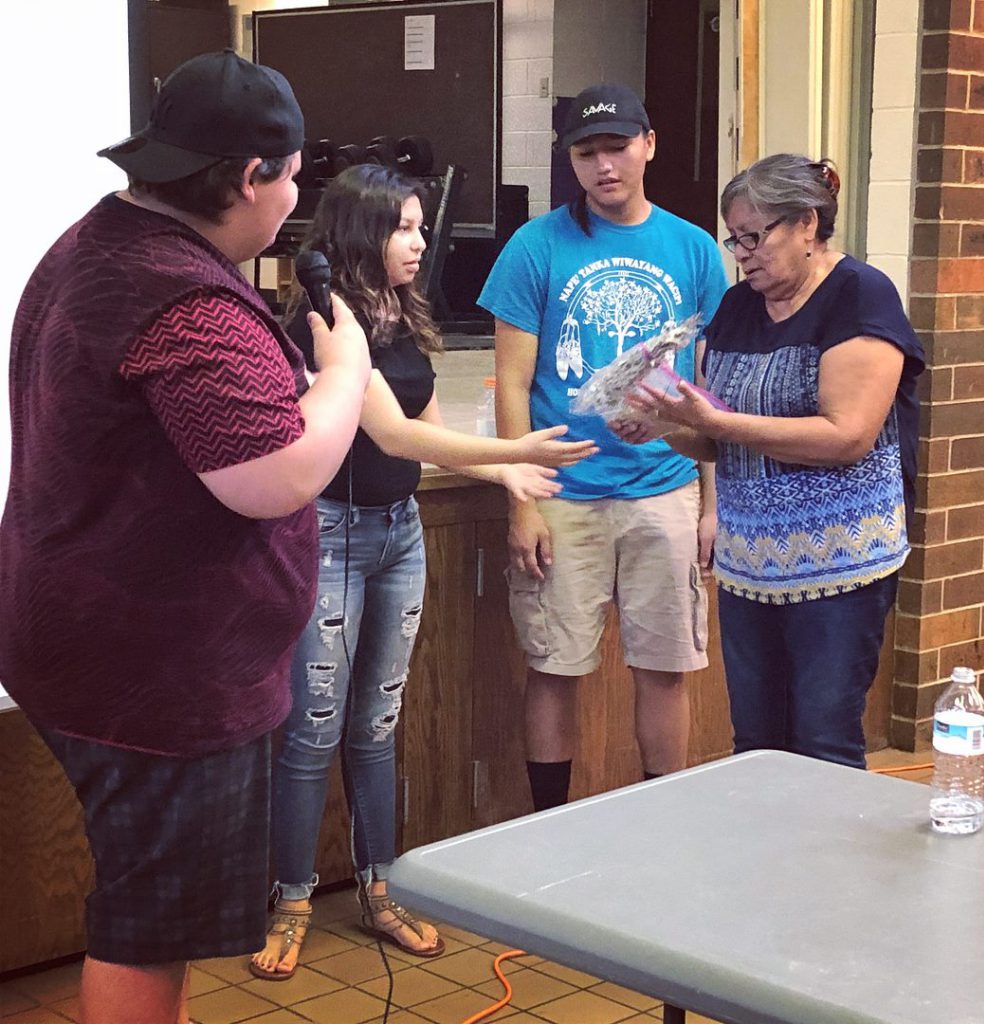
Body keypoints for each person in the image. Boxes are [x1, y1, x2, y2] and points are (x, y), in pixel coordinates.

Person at [0, 52, 372, 1024]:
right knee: (149, 924)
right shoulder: (186, 298)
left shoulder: (98, 241)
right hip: (157, 677)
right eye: (291, 176)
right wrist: (346, 370)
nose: (293, 200)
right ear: (251, 175)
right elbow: (277, 475)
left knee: (144, 894)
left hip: (79, 639)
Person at [250, 164, 597, 980]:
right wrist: (515, 448)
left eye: (418, 225)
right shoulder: (323, 319)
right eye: (403, 227)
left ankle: (379, 888)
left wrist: (504, 477)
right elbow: (392, 436)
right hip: (330, 536)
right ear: (363, 233)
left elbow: (427, 422)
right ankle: (292, 900)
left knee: (376, 725)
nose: (420, 240)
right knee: (311, 729)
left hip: (398, 533)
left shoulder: (402, 314)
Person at [624, 153, 925, 770]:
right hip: (750, 567)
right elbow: (715, 442)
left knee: (823, 742)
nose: (743, 253)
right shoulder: (737, 307)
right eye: (735, 239)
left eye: (756, 236)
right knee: (756, 748)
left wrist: (712, 421)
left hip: (839, 563)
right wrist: (660, 428)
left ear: (808, 225)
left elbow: (848, 435)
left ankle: (828, 869)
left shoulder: (860, 295)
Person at [476, 83, 729, 814]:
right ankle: (548, 823)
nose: (603, 166)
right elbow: (513, 384)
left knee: (666, 667)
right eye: (586, 154)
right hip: (565, 494)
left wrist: (716, 504)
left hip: (665, 486)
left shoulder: (694, 249)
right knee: (555, 665)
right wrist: (521, 497)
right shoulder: (536, 245)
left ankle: (662, 821)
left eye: (616, 147)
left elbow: (710, 388)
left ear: (648, 144)